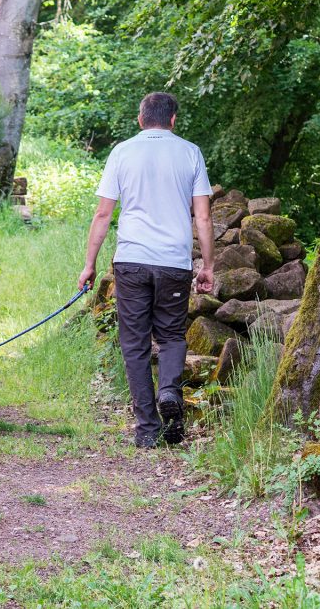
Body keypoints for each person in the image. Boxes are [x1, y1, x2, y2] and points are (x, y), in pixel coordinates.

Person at [78, 92, 215, 448]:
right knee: (170, 335)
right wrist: (208, 266)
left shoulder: (122, 152)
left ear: (141, 119)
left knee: (134, 342)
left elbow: (103, 214)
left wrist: (90, 265)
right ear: (173, 120)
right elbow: (203, 215)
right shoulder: (190, 152)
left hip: (132, 260)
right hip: (173, 262)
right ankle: (169, 391)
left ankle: (147, 431)